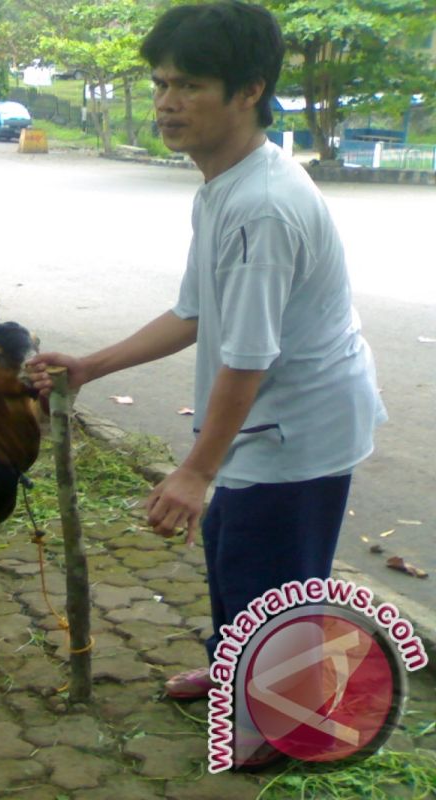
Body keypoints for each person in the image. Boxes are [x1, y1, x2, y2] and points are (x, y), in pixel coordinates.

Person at [27, 1, 385, 702]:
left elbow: (248, 357)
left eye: (188, 85)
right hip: (265, 427)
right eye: (161, 83)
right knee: (232, 556)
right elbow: (195, 313)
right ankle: (236, 676)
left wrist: (194, 472)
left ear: (249, 90)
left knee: (270, 582)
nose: (166, 103)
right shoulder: (225, 184)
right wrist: (92, 366)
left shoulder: (262, 206)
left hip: (298, 432)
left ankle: (280, 724)